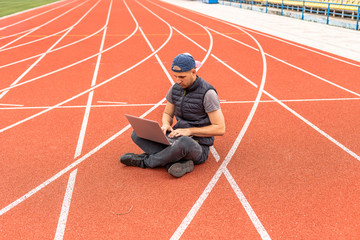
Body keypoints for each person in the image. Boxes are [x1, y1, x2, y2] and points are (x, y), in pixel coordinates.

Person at [120, 53, 225, 177]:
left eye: (182, 77)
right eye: (175, 76)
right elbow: (167, 113)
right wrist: (166, 124)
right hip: (174, 137)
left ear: (193, 72)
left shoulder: (208, 93)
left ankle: (145, 161)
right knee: (137, 133)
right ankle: (176, 163)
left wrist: (189, 131)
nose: (178, 81)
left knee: (183, 143)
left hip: (197, 145)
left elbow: (220, 128)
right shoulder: (175, 88)